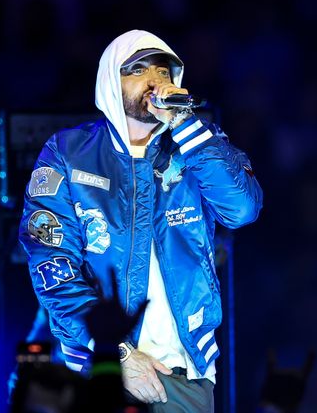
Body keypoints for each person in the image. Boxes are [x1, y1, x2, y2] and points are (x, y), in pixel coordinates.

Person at [18, 29, 263, 412]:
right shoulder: (67, 153)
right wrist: (117, 353)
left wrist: (184, 123)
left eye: (163, 71)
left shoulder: (199, 145)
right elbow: (52, 265)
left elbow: (242, 209)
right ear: (109, 81)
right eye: (138, 69)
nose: (154, 80)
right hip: (95, 367)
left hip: (183, 373)